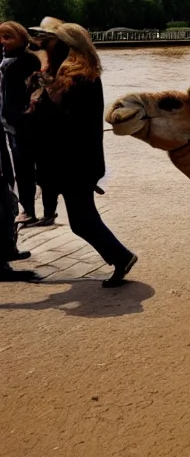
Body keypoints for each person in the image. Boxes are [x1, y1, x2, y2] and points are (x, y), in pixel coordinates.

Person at [27, 18, 136, 286]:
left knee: (83, 220)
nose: (43, 46)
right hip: (76, 161)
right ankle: (120, 257)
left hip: (74, 162)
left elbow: (68, 120)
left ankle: (122, 257)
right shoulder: (78, 74)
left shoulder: (78, 78)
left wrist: (43, 99)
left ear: (64, 45)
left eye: (48, 42)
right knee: (82, 219)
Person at [0, 22, 42, 225]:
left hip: (23, 123)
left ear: (22, 38)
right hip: (9, 122)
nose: (3, 41)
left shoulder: (25, 61)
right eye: (1, 37)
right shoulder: (6, 59)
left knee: (24, 168)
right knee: (19, 168)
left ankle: (29, 211)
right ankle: (27, 209)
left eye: (8, 37)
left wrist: (19, 117)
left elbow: (29, 93)